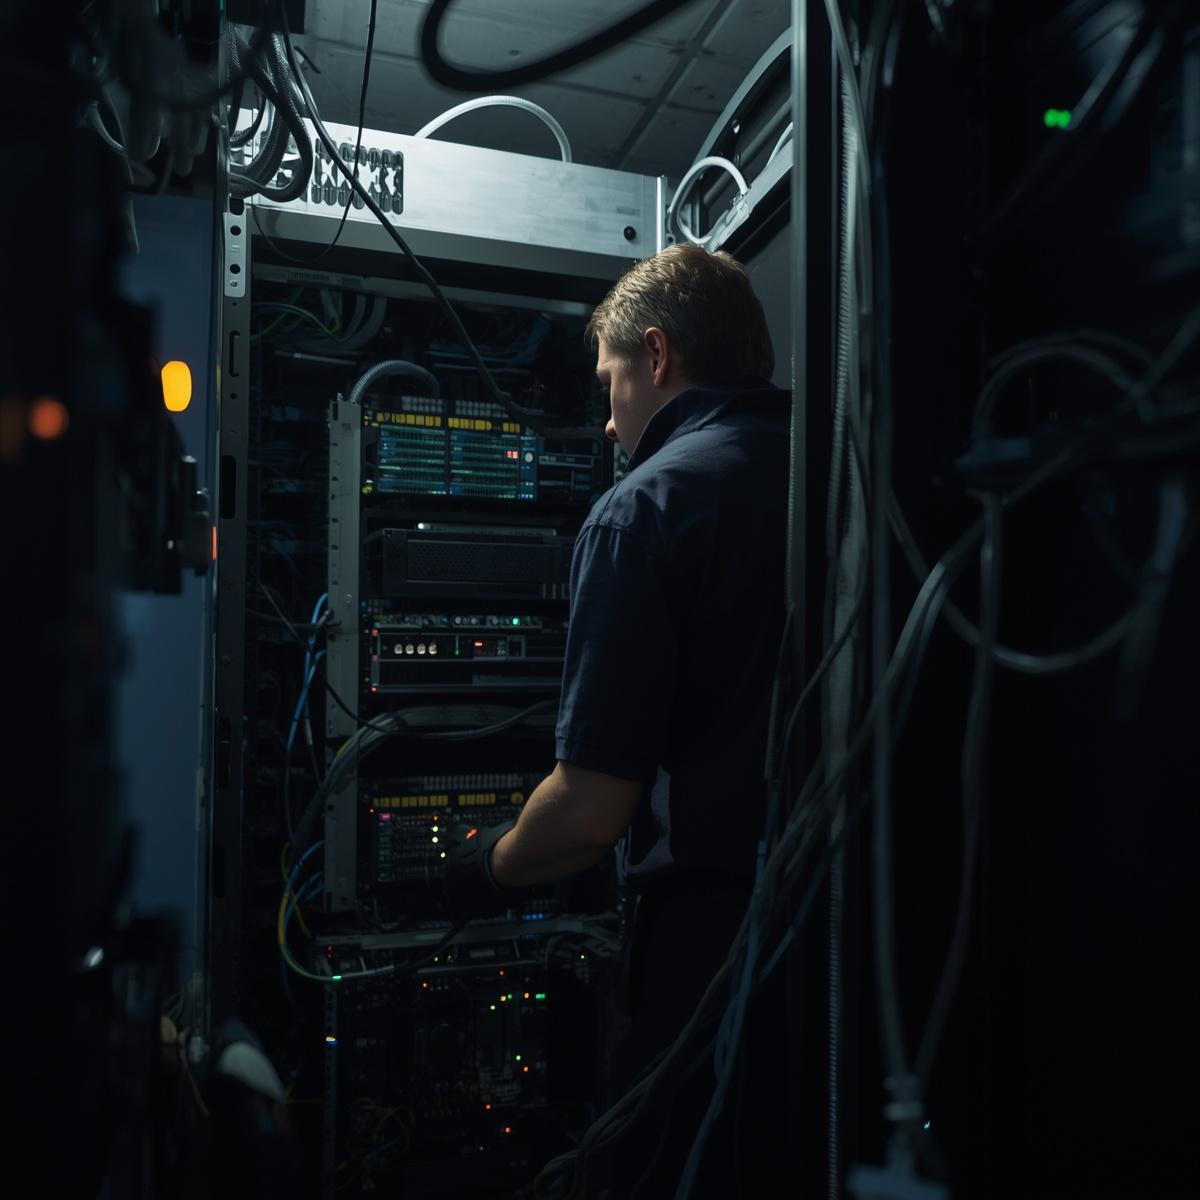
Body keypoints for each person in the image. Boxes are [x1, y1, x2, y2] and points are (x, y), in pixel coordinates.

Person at [445, 242, 791, 1195]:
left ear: (657, 355)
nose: (605, 423)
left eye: (608, 386)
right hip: (837, 932)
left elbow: (593, 813)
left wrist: (488, 862)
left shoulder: (644, 508)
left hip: (706, 957)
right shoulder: (840, 466)